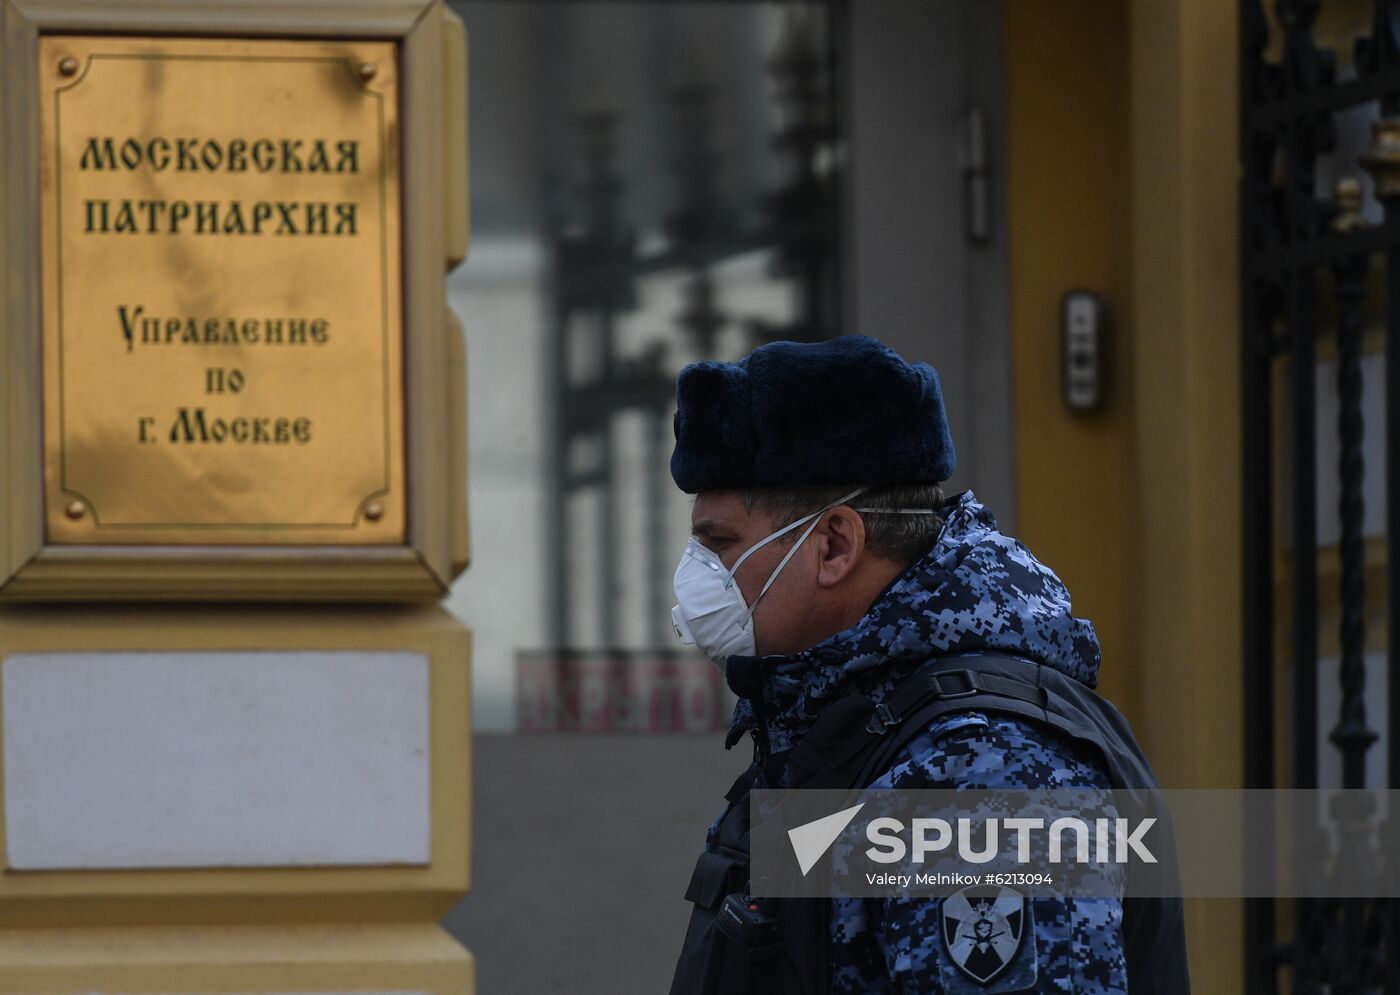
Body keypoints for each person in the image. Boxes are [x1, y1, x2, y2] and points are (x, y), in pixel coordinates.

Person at [665, 335, 1189, 994]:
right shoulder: (845, 722)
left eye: (722, 544)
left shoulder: (979, 781)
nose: (698, 575)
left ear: (834, 544)